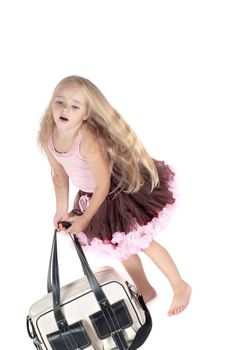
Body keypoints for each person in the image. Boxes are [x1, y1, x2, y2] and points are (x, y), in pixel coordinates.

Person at [38, 75, 192, 316]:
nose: (65, 108)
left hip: (116, 191)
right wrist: (61, 210)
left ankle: (179, 285)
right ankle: (144, 288)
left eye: (75, 106)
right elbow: (59, 176)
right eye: (60, 102)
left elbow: (102, 184)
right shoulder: (49, 137)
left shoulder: (87, 139)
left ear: (86, 114)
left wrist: (86, 218)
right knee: (121, 247)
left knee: (143, 242)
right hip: (92, 195)